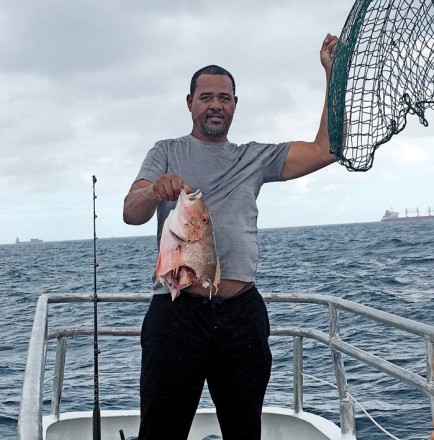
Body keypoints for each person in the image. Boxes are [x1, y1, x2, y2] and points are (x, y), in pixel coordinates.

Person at [123, 33, 339, 440]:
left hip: (242, 316)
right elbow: (131, 212)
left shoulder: (253, 157)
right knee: (160, 431)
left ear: (235, 105)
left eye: (224, 97)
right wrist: (154, 191)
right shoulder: (165, 151)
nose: (215, 105)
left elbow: (325, 150)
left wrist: (331, 73)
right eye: (206, 97)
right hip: (176, 315)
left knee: (244, 431)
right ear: (190, 103)